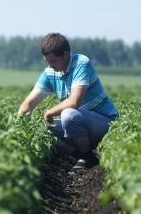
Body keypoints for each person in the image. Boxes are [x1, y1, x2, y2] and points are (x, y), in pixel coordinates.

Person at [17, 33, 118, 171]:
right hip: (80, 125)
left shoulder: (81, 63)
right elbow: (28, 104)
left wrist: (49, 113)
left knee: (68, 115)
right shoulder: (50, 73)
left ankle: (86, 156)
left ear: (66, 54)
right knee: (40, 128)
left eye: (53, 61)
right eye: (47, 61)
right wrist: (18, 128)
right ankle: (75, 152)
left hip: (104, 124)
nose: (50, 65)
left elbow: (74, 101)